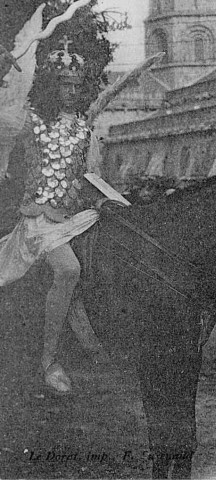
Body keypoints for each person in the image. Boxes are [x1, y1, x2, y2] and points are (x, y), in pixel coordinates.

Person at [0, 47, 102, 394]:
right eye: (63, 85)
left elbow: (89, 174)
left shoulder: (85, 127)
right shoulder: (32, 122)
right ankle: (48, 361)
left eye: (76, 85)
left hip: (77, 215)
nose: (71, 91)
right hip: (40, 219)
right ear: (50, 87)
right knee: (68, 269)